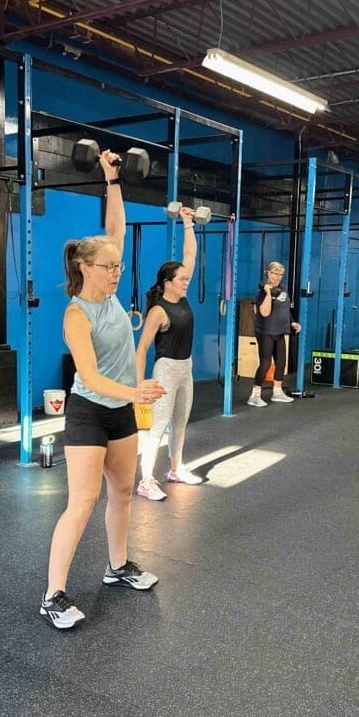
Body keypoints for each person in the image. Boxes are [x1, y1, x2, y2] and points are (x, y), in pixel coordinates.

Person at [41, 150, 166, 631]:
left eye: (118, 265)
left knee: (123, 492)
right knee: (82, 501)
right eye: (109, 266)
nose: (117, 271)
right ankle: (53, 594)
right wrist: (135, 393)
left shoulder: (110, 293)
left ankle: (117, 566)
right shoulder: (77, 314)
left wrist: (111, 178)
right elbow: (89, 377)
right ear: (85, 267)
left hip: (120, 412)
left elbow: (116, 224)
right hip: (90, 411)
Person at [135, 206, 202, 501]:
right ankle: (146, 480)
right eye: (182, 279)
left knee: (180, 423)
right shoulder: (159, 311)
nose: (186, 281)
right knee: (157, 428)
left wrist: (188, 222)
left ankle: (175, 469)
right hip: (165, 372)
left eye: (186, 279)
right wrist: (140, 385)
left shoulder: (183, 298)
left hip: (186, 368)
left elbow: (190, 254)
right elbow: (141, 349)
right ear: (167, 283)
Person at [247, 261, 301, 407]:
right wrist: (269, 293)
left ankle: (277, 392)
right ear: (268, 274)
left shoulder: (284, 288)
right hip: (266, 332)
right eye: (275, 274)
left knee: (281, 363)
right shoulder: (262, 292)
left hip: (280, 330)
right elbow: (264, 312)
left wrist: (292, 322)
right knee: (265, 363)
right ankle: (255, 395)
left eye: (280, 275)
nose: (277, 277)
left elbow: (285, 309)